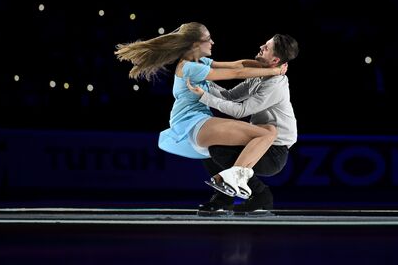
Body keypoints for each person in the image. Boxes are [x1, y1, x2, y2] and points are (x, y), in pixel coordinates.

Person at [114, 22, 287, 199]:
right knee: (267, 134)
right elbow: (236, 74)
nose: (212, 42)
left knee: (269, 131)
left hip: (197, 124)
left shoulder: (199, 61)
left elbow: (237, 65)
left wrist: (266, 68)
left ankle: (233, 179)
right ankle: (231, 178)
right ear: (196, 44)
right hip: (195, 124)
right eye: (208, 39)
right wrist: (273, 71)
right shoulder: (191, 68)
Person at [186, 34, 299, 215]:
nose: (262, 45)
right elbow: (231, 96)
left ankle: (261, 194)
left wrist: (204, 96)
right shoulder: (260, 76)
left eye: (267, 47)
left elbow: (240, 111)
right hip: (256, 139)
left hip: (273, 151)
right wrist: (205, 83)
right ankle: (225, 198)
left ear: (275, 60)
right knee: (206, 146)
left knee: (217, 149)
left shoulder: (275, 85)